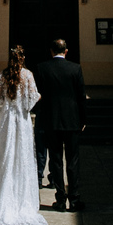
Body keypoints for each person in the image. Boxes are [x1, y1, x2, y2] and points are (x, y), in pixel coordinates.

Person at [0, 45, 47, 225]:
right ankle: (21, 198)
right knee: (22, 157)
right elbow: (32, 99)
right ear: (23, 58)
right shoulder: (27, 75)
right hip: (22, 121)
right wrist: (38, 97)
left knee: (7, 155)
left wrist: (4, 107)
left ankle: (3, 197)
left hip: (8, 121)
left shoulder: (3, 75)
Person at [35, 37, 86, 211]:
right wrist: (83, 120)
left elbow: (37, 96)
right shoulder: (75, 68)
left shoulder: (42, 68)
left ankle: (60, 200)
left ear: (51, 51)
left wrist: (39, 114)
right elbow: (81, 97)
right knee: (73, 161)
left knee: (55, 160)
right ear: (66, 51)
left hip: (51, 121)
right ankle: (74, 198)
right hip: (72, 121)